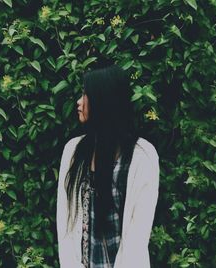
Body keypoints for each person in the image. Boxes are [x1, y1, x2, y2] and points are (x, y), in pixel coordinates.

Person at [56, 64, 159, 268]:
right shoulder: (74, 152)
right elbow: (65, 224)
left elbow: (136, 240)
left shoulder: (141, 157)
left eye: (86, 95)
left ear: (103, 101)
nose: (78, 102)